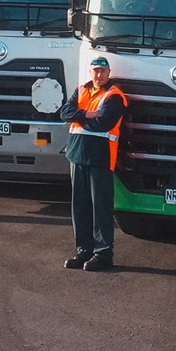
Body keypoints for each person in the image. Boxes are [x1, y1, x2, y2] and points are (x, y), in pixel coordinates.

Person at [59, 56, 127, 271]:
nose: (98, 75)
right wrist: (86, 114)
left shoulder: (115, 96)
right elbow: (64, 112)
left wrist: (78, 116)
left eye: (102, 72)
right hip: (77, 155)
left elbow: (103, 123)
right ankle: (84, 251)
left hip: (100, 157)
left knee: (101, 208)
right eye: (95, 71)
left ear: (109, 73)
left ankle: (103, 254)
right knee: (80, 207)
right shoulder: (81, 90)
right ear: (90, 72)